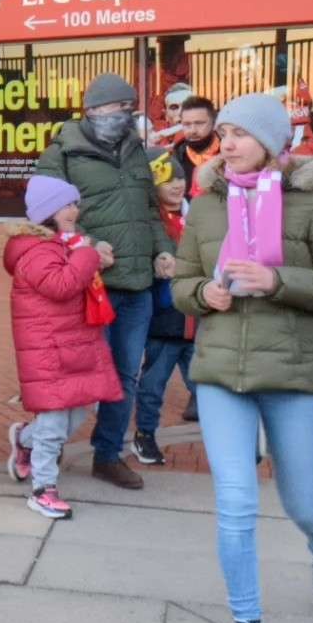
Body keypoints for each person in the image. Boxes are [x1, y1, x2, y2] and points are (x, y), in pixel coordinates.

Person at [173, 93, 313, 623]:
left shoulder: (312, 202)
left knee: (304, 503)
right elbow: (182, 283)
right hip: (221, 372)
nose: (225, 144)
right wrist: (203, 293)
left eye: (237, 134)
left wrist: (279, 281)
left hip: (293, 371)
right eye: (221, 133)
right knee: (236, 503)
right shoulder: (205, 206)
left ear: (272, 142)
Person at [35, 74, 174, 491]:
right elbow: (45, 218)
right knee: (72, 373)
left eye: (129, 109)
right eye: (118, 108)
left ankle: (108, 454)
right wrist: (88, 245)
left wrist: (163, 249)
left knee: (124, 374)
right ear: (93, 110)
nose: (125, 116)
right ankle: (44, 444)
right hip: (88, 284)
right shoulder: (61, 152)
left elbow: (150, 212)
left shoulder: (136, 152)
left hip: (137, 286)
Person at [4, 175, 119, 520]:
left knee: (80, 410)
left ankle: (25, 439)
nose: (75, 209)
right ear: (50, 211)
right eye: (69, 204)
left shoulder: (63, 244)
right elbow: (62, 285)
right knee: (54, 425)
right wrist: (87, 254)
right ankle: (43, 489)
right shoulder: (35, 250)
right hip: (49, 350)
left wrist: (86, 253)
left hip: (73, 343)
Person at [135, 150, 198, 464]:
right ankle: (145, 435)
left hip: (196, 319)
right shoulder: (150, 222)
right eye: (167, 179)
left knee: (206, 386)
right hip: (163, 321)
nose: (177, 184)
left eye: (180, 177)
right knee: (152, 387)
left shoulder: (196, 216)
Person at [171, 97, 222, 201]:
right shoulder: (176, 158)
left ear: (213, 124)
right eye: (187, 124)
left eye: (199, 123)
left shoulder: (228, 153)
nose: (193, 130)